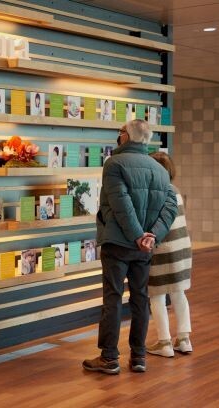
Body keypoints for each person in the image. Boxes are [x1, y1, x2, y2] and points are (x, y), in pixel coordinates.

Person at [83, 119, 178, 375]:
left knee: (112, 299)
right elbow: (170, 207)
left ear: (126, 136)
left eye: (120, 131)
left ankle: (109, 358)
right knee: (140, 300)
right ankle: (138, 357)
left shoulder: (114, 163)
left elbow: (121, 203)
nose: (118, 135)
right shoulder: (159, 169)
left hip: (117, 243)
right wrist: (151, 237)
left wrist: (138, 235)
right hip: (143, 248)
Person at [146, 152, 193, 357]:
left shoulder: (154, 194)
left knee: (156, 295)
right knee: (179, 293)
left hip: (161, 250)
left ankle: (164, 342)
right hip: (182, 249)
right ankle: (184, 339)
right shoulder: (176, 191)